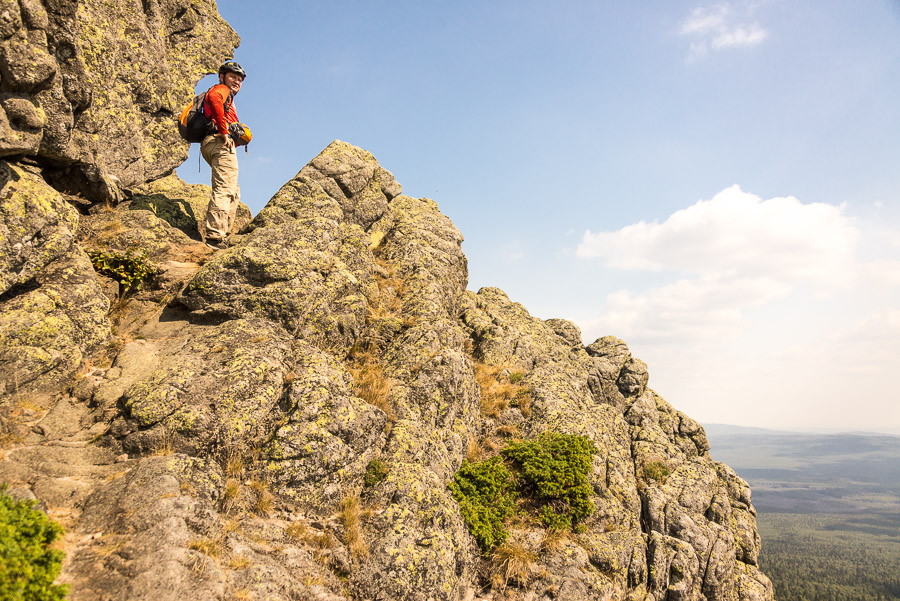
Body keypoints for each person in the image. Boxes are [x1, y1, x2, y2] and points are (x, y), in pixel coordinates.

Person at [201, 61, 246, 250]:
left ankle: (223, 233)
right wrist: (224, 131)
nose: (236, 81)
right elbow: (213, 98)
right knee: (225, 189)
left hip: (212, 143)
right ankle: (215, 237)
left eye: (239, 79)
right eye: (232, 77)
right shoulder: (221, 90)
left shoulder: (228, 97)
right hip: (219, 143)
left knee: (233, 191)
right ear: (222, 77)